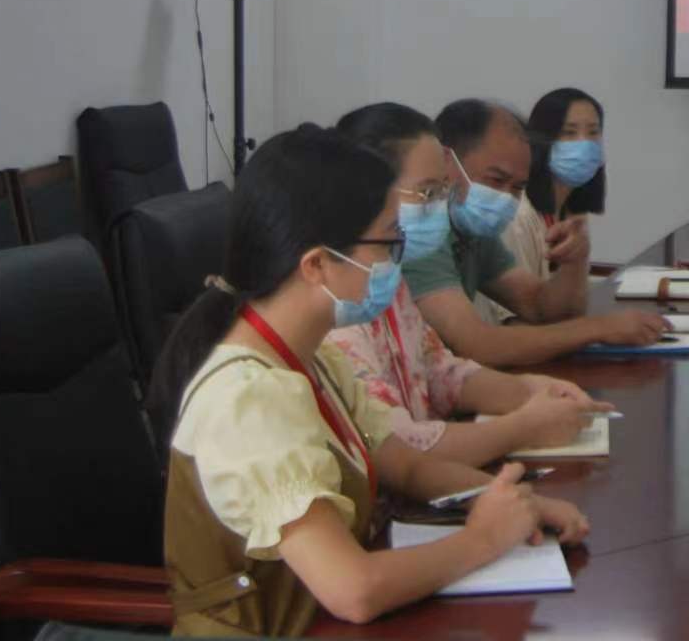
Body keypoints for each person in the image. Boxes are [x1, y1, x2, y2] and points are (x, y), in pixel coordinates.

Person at [149, 126, 589, 636]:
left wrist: (513, 503)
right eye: (388, 244)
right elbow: (353, 590)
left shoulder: (313, 359)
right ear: (317, 264)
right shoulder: (249, 400)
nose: (398, 263)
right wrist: (484, 539)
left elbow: (407, 466)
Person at [327, 102, 604, 467]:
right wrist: (523, 427)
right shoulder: (334, 309)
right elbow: (399, 450)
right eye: (429, 194)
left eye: (444, 191)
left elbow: (440, 370)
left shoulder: (388, 280)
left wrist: (530, 390)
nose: (441, 205)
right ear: (365, 191)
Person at [407, 99, 664, 367]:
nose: (506, 197)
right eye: (496, 179)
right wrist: (598, 328)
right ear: (445, 163)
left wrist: (574, 263)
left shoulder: (472, 228)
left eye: (518, 187)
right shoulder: (420, 231)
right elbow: (476, 345)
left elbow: (540, 308)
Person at [477, 88, 606, 326]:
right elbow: (514, 322)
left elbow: (572, 308)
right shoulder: (518, 216)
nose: (584, 144)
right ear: (541, 141)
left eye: (593, 132)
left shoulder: (572, 212)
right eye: (569, 133)